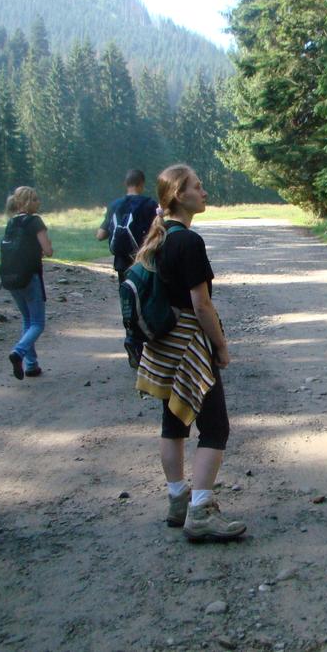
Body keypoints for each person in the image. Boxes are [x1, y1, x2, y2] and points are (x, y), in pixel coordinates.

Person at [133, 164, 245, 541]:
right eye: (198, 186)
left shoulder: (159, 238)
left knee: (174, 422)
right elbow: (201, 305)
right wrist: (221, 345)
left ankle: (177, 499)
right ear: (180, 195)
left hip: (163, 346)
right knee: (215, 427)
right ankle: (200, 511)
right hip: (190, 348)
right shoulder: (189, 242)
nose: (205, 192)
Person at [96, 169, 158, 367]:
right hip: (144, 262)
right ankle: (150, 346)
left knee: (128, 302)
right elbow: (158, 231)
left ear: (126, 183)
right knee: (147, 301)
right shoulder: (149, 204)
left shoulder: (114, 205)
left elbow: (100, 235)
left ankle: (131, 339)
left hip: (122, 263)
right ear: (142, 183)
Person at [4, 186, 53, 379]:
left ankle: (32, 365)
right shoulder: (35, 221)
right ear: (26, 202)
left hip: (11, 278)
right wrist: (46, 248)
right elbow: (48, 250)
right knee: (38, 323)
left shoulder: (11, 222)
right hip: (30, 276)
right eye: (35, 199)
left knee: (27, 319)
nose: (38, 202)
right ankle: (18, 352)